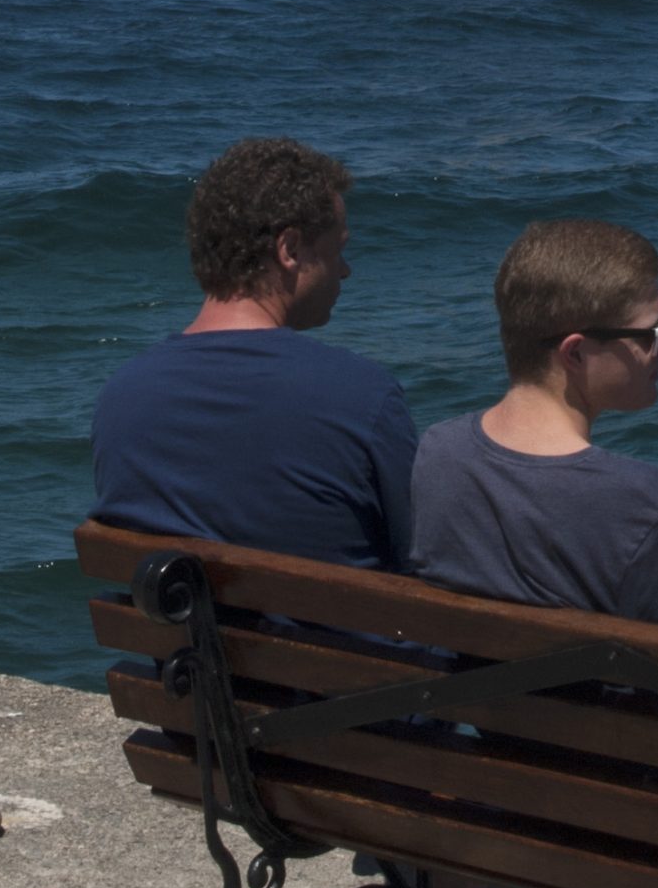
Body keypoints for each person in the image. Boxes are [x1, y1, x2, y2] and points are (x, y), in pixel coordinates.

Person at [413, 220, 658, 888]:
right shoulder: (643, 502)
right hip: (624, 808)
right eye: (652, 332)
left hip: (490, 768)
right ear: (576, 351)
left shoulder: (435, 457)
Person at [89, 137, 416, 568]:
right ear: (290, 250)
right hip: (346, 636)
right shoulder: (363, 398)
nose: (344, 269)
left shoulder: (121, 399)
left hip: (188, 637)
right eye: (338, 249)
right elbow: (427, 558)